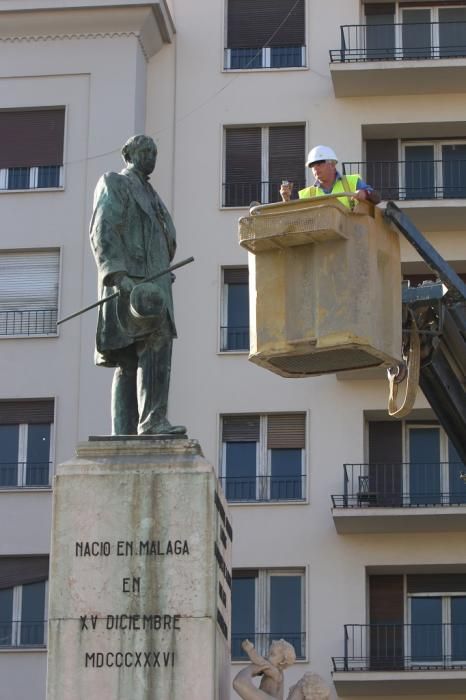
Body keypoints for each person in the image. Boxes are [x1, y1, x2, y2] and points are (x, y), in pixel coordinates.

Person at [89, 134, 186, 436]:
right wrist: (117, 276)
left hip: (155, 285)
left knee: (142, 354)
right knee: (141, 351)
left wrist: (162, 268)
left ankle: (131, 429)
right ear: (127, 153)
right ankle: (149, 422)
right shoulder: (116, 183)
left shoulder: (153, 195)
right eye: (146, 150)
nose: (151, 156)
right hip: (131, 285)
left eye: (155, 152)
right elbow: (103, 229)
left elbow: (160, 238)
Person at [280, 145, 381, 208]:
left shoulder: (352, 182)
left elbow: (377, 198)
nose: (315, 168)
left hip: (350, 239)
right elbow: (298, 219)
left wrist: (366, 193)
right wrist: (286, 199)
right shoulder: (307, 194)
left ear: (332, 165)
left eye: (319, 164)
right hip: (322, 241)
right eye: (312, 166)